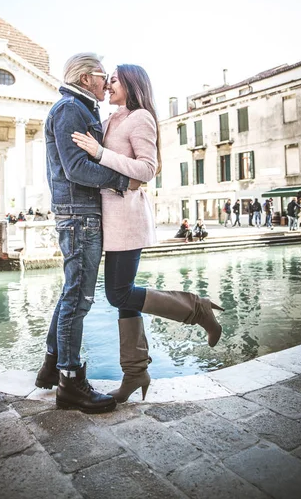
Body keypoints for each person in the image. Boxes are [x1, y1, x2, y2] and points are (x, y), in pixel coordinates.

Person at [72, 64, 224, 404]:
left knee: (118, 294)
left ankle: (197, 309)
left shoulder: (141, 117)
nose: (108, 84)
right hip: (109, 221)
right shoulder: (111, 119)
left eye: (113, 79)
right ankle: (135, 373)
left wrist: (100, 153)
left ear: (131, 83)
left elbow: (147, 169)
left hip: (127, 219)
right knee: (122, 296)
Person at [35, 53, 131, 414]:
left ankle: (51, 365)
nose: (107, 83)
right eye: (103, 76)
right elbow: (76, 168)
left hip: (81, 215)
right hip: (79, 216)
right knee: (79, 299)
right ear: (85, 77)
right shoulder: (70, 109)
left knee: (70, 295)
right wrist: (122, 179)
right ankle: (71, 383)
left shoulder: (80, 108)